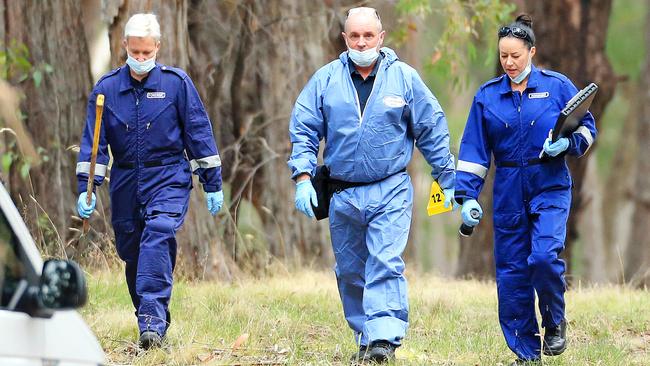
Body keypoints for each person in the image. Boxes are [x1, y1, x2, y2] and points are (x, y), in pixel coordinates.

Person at [288, 7, 455, 363]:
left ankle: (383, 338)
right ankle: (365, 336)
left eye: (368, 36)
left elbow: (431, 127)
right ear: (345, 39)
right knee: (350, 270)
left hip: (390, 187)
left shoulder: (404, 79)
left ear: (381, 38)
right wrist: (303, 177)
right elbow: (303, 130)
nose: (361, 42)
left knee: (384, 261)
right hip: (342, 192)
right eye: (354, 36)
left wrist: (447, 176)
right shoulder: (326, 80)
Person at [454, 14, 597, 365]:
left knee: (544, 257)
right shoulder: (488, 97)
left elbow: (587, 127)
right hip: (507, 190)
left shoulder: (558, 86)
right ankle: (526, 353)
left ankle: (555, 322)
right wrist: (467, 196)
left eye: (516, 55)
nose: (509, 63)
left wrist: (567, 145)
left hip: (549, 183)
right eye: (503, 56)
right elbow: (473, 153)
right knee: (513, 272)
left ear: (532, 51)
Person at [75, 13, 223, 349]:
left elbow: (199, 134)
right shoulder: (106, 90)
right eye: (135, 51)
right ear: (124, 45)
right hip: (126, 179)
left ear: (158, 47)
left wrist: (212, 183)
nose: (141, 59)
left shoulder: (176, 84)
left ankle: (152, 323)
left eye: (147, 52)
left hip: (168, 174)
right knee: (132, 253)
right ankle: (149, 320)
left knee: (159, 232)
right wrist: (87, 188)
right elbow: (94, 145)